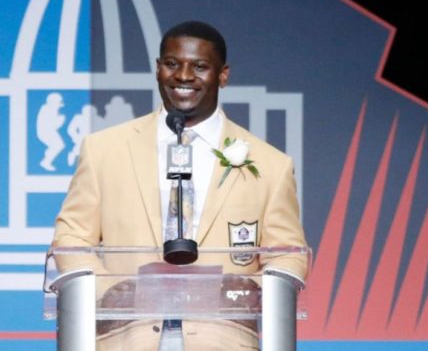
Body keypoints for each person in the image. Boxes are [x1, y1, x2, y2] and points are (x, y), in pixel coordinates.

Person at [51, 21, 308, 350]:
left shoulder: (271, 164)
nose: (184, 76)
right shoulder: (103, 150)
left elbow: (287, 254)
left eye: (199, 66)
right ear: (158, 69)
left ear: (223, 75)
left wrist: (250, 288)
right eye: (172, 64)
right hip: (126, 335)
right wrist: (108, 291)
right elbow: (71, 237)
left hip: (222, 339)